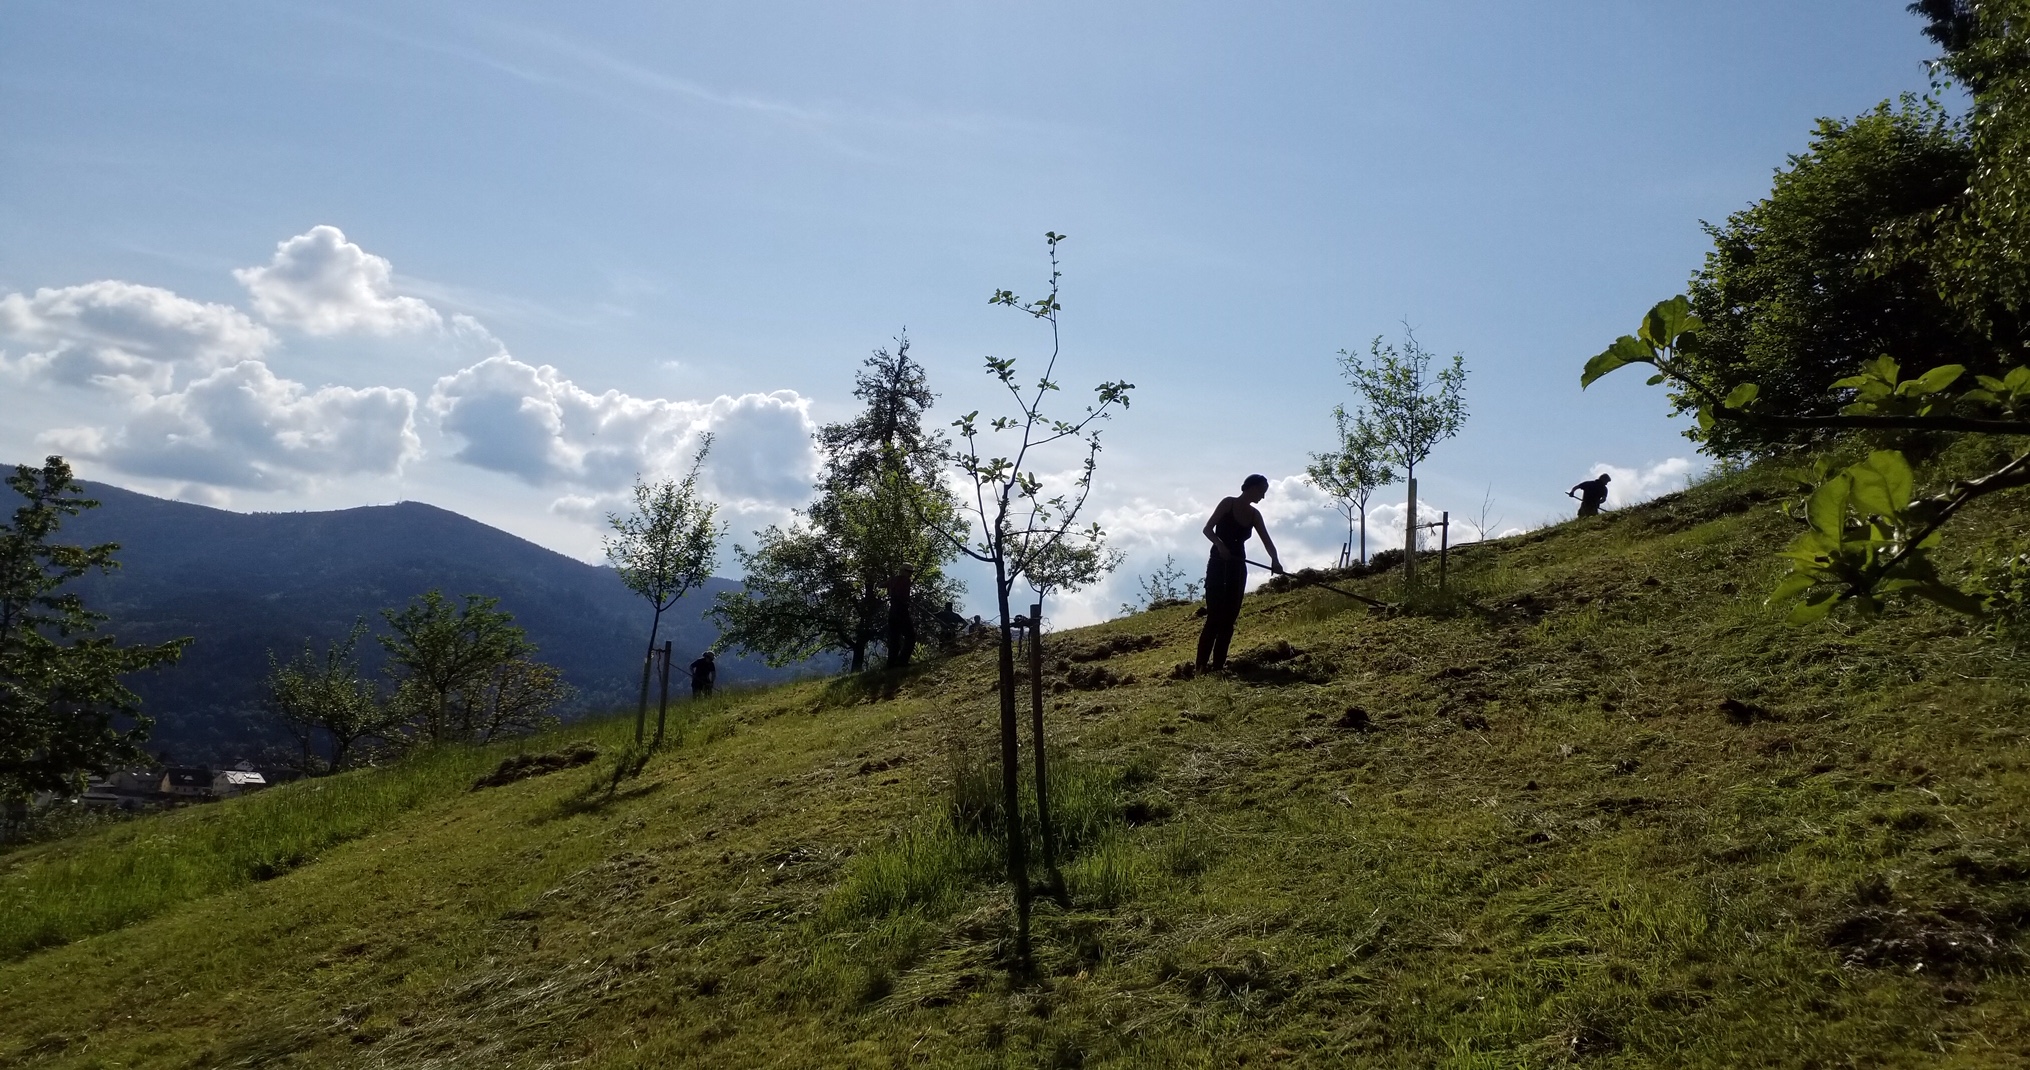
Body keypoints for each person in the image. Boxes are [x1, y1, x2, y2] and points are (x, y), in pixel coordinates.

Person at [1196, 474, 1283, 673]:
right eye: (1262, 492)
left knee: (1229, 619)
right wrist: (1220, 546)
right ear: (1251, 488)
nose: (1263, 496)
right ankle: (1200, 666)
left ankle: (1218, 667)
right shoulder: (1228, 503)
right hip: (1218, 564)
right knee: (1214, 616)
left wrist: (1275, 560)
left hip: (1237, 567)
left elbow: (1267, 541)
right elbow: (1208, 529)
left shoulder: (1254, 515)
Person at [884, 565, 916, 669]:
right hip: (901, 611)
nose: (910, 574)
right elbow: (904, 597)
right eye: (908, 572)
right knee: (911, 637)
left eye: (911, 572)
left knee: (894, 639)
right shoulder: (906, 581)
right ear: (903, 571)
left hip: (892, 613)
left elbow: (880, 585)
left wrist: (890, 585)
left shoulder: (893, 580)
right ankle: (902, 661)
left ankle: (891, 664)